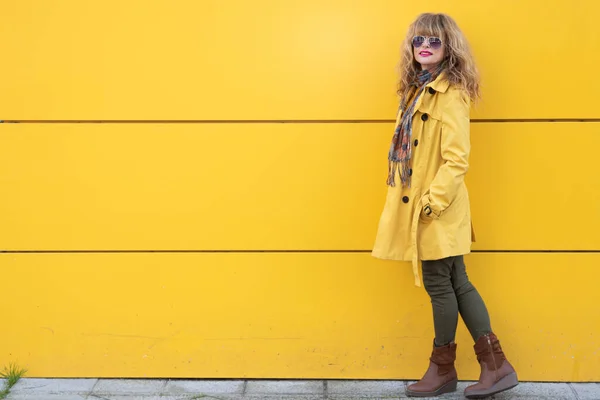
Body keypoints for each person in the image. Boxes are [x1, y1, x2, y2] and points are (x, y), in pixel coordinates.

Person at [371, 13, 518, 399]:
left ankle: (443, 369)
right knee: (457, 281)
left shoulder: (449, 93)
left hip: (437, 204)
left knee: (441, 283)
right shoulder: (418, 90)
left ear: (448, 47)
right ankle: (495, 365)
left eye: (434, 41)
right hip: (432, 204)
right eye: (419, 39)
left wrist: (431, 205)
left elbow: (457, 159)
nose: (425, 46)